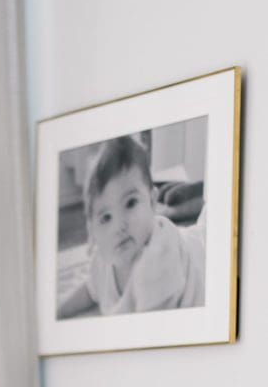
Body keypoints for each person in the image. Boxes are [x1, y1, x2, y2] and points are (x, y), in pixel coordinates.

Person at [57, 135, 205, 318]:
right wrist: (58, 311)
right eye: (106, 218)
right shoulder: (103, 259)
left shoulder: (159, 257)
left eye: (130, 203)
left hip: (205, 253)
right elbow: (90, 289)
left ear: (152, 203)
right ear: (93, 232)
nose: (119, 226)